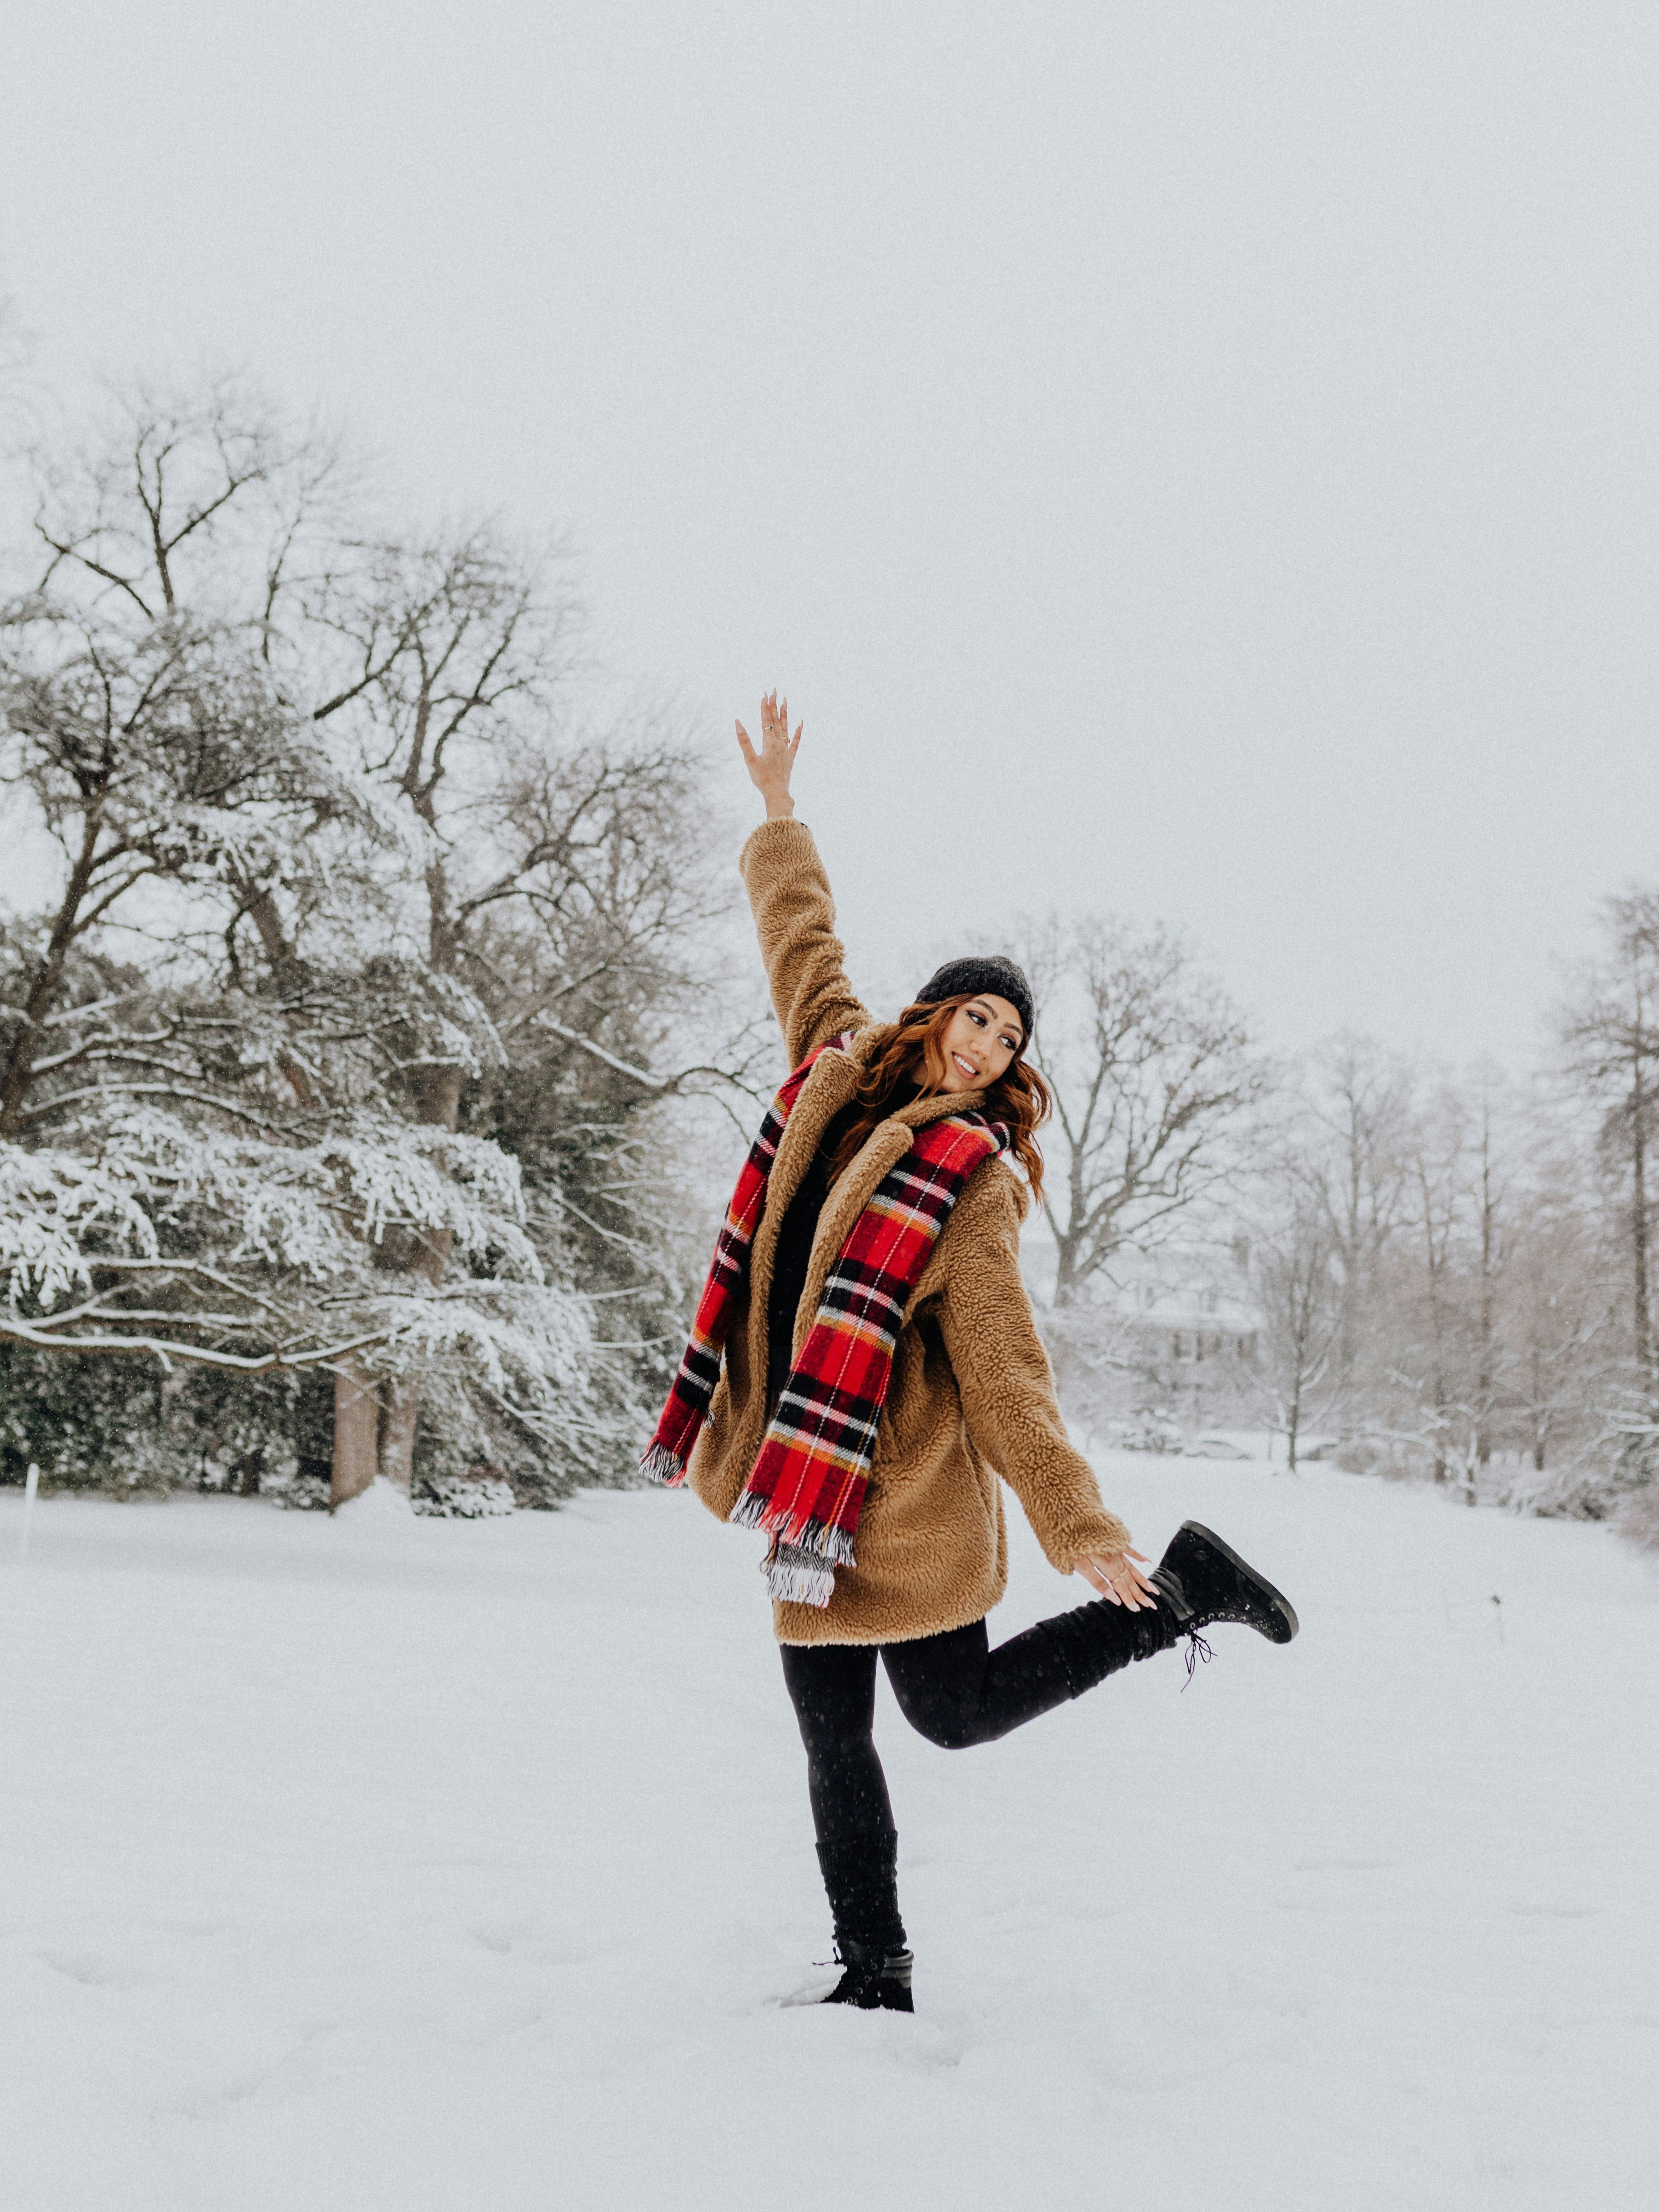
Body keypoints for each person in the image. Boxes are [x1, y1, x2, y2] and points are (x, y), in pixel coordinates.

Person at [643, 693, 1298, 2014]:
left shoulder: (971, 1181)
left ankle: (1178, 1586)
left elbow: (1004, 1367)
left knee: (950, 1716)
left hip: (901, 1501)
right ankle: (873, 1980)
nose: (992, 1043)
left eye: (1012, 1038)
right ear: (932, 1015)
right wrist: (778, 811)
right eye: (980, 1018)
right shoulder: (833, 1068)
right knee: (833, 1746)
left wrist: (1077, 1520)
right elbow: (800, 940)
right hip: (802, 1491)